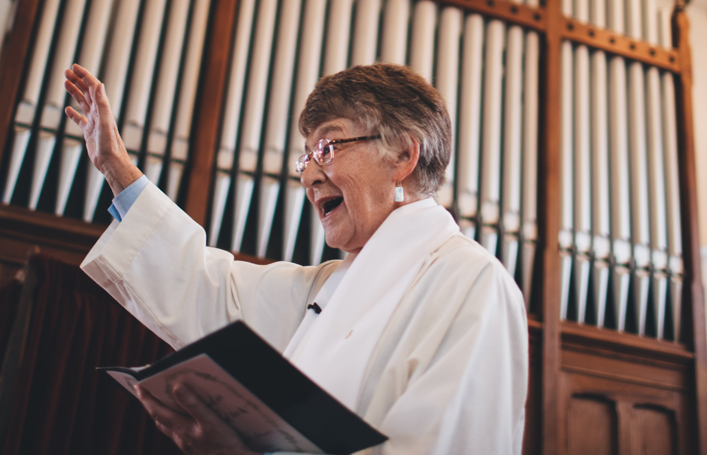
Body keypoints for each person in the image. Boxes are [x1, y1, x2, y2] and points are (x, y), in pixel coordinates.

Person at [66, 61, 528, 454]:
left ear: (403, 155)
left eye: (327, 147)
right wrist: (116, 169)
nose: (308, 176)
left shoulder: (471, 284)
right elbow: (208, 288)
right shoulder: (327, 288)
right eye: (305, 157)